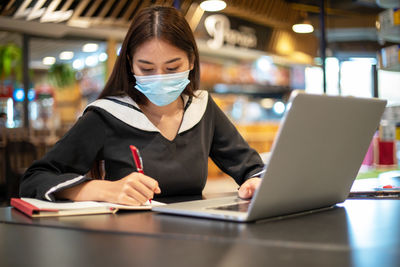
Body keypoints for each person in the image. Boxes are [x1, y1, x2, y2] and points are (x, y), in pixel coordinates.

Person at [20, 6, 265, 206]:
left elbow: (253, 170)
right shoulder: (107, 115)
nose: (159, 77)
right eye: (146, 69)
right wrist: (101, 189)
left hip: (194, 240)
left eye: (172, 68)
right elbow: (35, 179)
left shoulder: (202, 109)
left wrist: (255, 183)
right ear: (130, 64)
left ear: (191, 60)